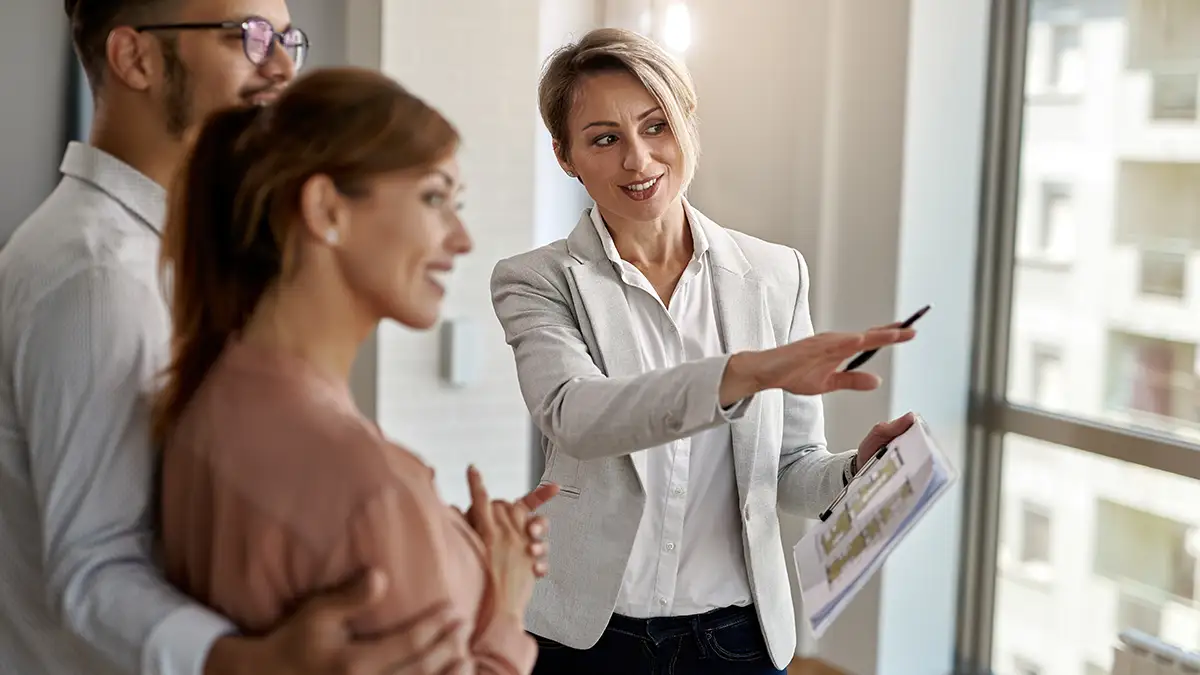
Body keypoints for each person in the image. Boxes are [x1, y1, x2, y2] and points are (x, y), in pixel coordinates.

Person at [0, 1, 544, 674]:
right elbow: (96, 566)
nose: (284, 65)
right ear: (135, 58)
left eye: (288, 38)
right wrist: (250, 660)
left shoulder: (191, 264)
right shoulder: (98, 275)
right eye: (248, 36)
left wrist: (426, 541)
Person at [490, 27, 918, 675]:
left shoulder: (776, 275)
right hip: (589, 636)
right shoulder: (537, 279)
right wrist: (744, 372)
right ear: (564, 156)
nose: (638, 159)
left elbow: (790, 468)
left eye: (656, 125)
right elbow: (577, 414)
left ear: (689, 123)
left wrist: (856, 471)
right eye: (604, 138)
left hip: (735, 636)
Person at [155, 66, 545, 675]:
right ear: (326, 209)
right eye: (435, 198)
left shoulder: (206, 404)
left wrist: (452, 548)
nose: (462, 239)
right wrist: (506, 609)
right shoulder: (374, 491)